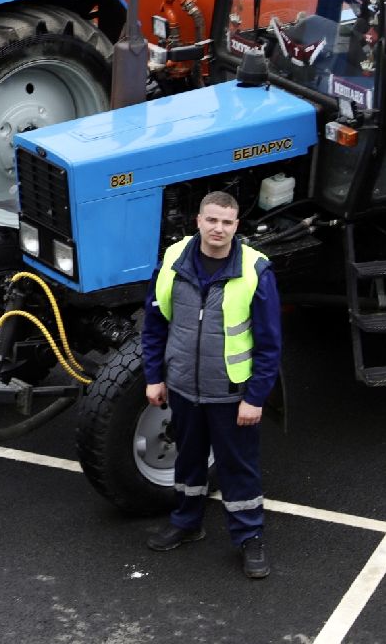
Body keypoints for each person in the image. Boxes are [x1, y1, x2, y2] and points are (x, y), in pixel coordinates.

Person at [142, 191, 282, 579]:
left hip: (231, 395)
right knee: (188, 460)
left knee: (239, 469)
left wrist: (255, 399)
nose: (218, 228)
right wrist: (154, 376)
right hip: (184, 389)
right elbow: (154, 325)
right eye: (212, 220)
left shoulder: (256, 271)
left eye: (227, 222)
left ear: (237, 227)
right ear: (198, 222)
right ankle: (187, 523)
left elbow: (270, 344)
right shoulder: (173, 260)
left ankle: (249, 538)